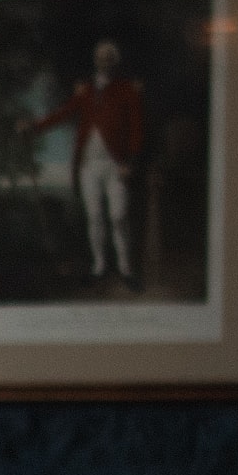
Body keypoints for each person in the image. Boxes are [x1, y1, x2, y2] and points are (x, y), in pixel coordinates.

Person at [57, 37, 150, 288]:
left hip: (116, 165)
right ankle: (99, 266)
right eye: (100, 58)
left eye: (109, 58)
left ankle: (125, 269)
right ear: (95, 61)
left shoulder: (127, 89)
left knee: (119, 216)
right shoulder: (85, 89)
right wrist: (33, 127)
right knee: (95, 216)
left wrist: (129, 161)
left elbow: (136, 129)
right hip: (89, 165)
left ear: (115, 62)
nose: (104, 62)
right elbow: (64, 112)